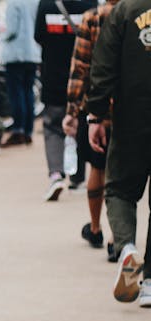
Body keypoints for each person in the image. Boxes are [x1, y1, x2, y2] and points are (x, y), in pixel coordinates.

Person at [87, 0, 151, 306]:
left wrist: (96, 115)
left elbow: (103, 66)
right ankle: (150, 284)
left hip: (132, 120)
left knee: (119, 191)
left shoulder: (125, 11)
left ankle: (126, 247)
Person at [63, 0, 119, 259]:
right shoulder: (139, 16)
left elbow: (80, 68)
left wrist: (73, 110)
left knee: (97, 167)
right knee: (121, 173)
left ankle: (95, 228)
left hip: (97, 106)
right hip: (131, 107)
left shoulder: (92, 18)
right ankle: (118, 238)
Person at [34, 0, 95, 201]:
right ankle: (78, 178)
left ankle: (57, 174)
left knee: (53, 127)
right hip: (82, 77)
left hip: (53, 75)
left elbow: (38, 36)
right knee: (81, 125)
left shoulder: (46, 4)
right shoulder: (89, 3)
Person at [0, 0, 41, 149]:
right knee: (28, 93)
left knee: (16, 94)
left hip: (16, 54)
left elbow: (11, 30)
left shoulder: (14, 3)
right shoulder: (35, 2)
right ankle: (28, 131)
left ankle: (18, 130)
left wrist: (0, 35)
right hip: (33, 54)